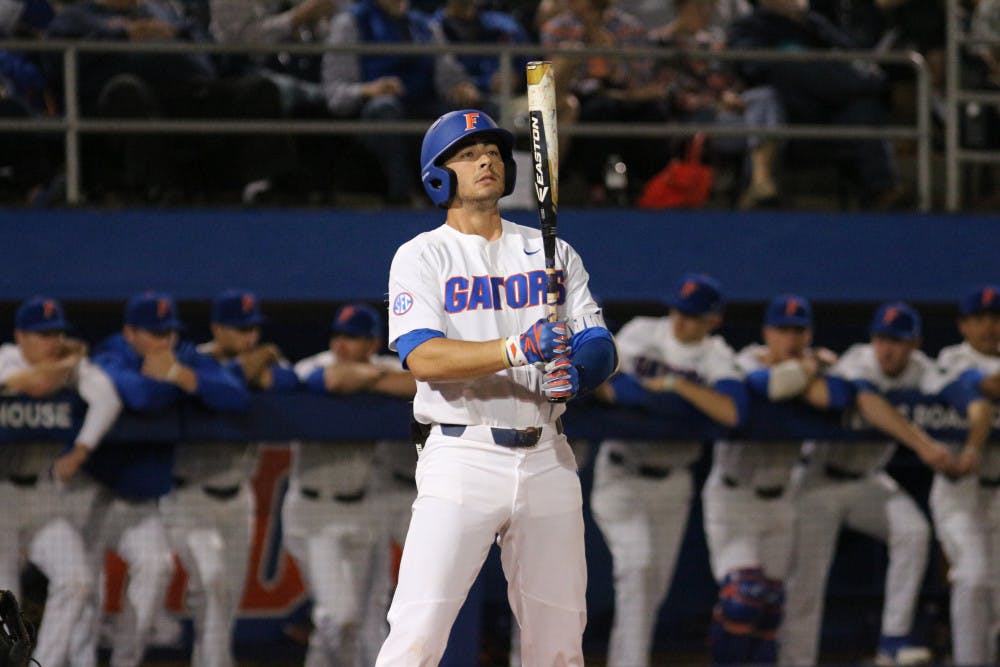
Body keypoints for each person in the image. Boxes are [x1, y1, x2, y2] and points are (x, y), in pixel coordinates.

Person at [376, 108, 617, 665]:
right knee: (417, 631)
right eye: (467, 154)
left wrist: (579, 373)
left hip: (548, 454)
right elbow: (423, 357)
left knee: (559, 642)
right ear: (438, 175)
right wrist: (517, 348)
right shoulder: (422, 254)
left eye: (491, 151)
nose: (485, 160)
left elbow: (598, 341)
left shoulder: (550, 250)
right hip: (462, 453)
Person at [779, 301, 959, 666]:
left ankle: (892, 641)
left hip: (867, 480)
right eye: (881, 339)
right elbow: (867, 401)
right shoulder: (858, 361)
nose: (886, 349)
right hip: (817, 479)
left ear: (914, 344)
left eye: (896, 340)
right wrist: (924, 445)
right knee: (806, 584)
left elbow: (953, 391)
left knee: (913, 532)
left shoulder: (921, 370)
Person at [81, 291, 250, 667]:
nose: (164, 341)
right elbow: (139, 395)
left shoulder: (180, 355)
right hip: (90, 494)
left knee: (157, 568)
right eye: (155, 333)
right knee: (83, 593)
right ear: (130, 332)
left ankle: (125, 661)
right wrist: (182, 387)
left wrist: (175, 373)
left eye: (169, 332)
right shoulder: (110, 354)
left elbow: (235, 396)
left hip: (140, 501)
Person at [589, 272, 747, 667]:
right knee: (639, 569)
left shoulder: (716, 354)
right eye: (678, 310)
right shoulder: (643, 332)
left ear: (713, 320)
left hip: (674, 481)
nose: (680, 320)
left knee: (651, 590)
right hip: (622, 471)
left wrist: (675, 387)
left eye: (692, 316)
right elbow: (608, 384)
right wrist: (677, 404)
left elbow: (732, 412)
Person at [159, 289, 297, 667]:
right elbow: (225, 387)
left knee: (226, 596)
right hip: (188, 496)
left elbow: (289, 381)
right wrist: (254, 363)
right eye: (239, 329)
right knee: (213, 581)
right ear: (218, 328)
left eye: (253, 329)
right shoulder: (193, 358)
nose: (250, 337)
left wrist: (259, 366)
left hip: (239, 498)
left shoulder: (263, 359)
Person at [44, 0, 296, 204]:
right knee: (127, 92)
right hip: (134, 95)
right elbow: (57, 63)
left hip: (193, 90)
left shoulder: (163, 11)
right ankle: (156, 190)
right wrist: (123, 34)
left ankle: (263, 188)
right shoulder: (77, 17)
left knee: (258, 89)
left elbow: (207, 45)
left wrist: (176, 33)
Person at [283, 302, 416, 667]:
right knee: (337, 616)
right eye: (338, 335)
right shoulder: (313, 364)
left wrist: (369, 377)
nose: (341, 344)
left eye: (353, 338)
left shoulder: (382, 366)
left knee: (350, 620)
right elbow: (333, 380)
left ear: (372, 343)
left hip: (360, 508)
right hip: (312, 510)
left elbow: (418, 382)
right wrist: (374, 378)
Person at [0, 296, 121, 667]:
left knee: (77, 580)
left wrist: (81, 450)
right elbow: (31, 384)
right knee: (4, 602)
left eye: (56, 334)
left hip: (42, 494)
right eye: (42, 334)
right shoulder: (6, 357)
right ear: (21, 336)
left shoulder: (74, 368)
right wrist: (66, 365)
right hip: (1, 497)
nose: (52, 341)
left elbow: (108, 399)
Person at [726, 0, 906, 209]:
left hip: (828, 108)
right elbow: (752, 66)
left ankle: (881, 190)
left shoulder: (814, 22)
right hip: (784, 108)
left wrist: (805, 24)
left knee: (862, 107)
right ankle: (869, 83)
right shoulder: (749, 25)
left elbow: (850, 51)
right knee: (795, 69)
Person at [320, 0, 484, 205]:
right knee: (385, 108)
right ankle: (402, 196)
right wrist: (368, 90)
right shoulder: (351, 23)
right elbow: (335, 94)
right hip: (370, 114)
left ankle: (469, 196)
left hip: (421, 106)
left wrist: (461, 87)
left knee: (470, 115)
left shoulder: (425, 26)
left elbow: (448, 77)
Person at [928, 285, 1000, 666]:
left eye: (996, 318)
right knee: (972, 578)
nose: (990, 327)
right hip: (961, 491)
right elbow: (988, 385)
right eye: (980, 319)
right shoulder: (952, 358)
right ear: (964, 325)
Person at [540, 0, 670, 205]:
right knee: (600, 110)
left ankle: (647, 185)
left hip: (625, 94)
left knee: (654, 112)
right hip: (584, 96)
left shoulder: (630, 28)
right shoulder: (557, 28)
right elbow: (554, 81)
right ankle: (593, 184)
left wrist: (610, 53)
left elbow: (639, 77)